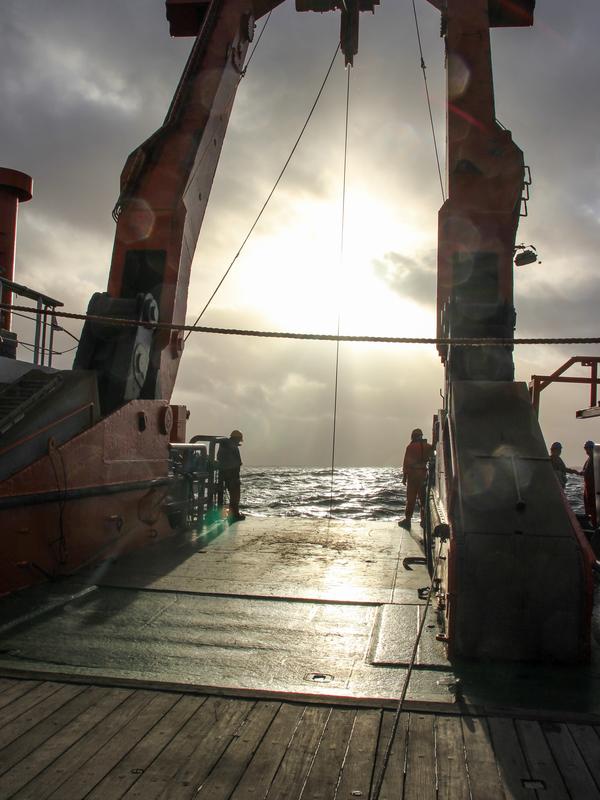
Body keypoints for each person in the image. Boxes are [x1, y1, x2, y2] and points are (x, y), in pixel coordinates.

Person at [398, 428, 434, 530]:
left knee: (411, 499)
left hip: (413, 475)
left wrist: (405, 477)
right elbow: (432, 455)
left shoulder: (410, 447)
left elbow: (406, 463)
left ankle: (408, 521)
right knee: (423, 500)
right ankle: (424, 521)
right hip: (423, 474)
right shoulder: (428, 446)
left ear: (413, 436)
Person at [217, 430, 245, 521]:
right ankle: (234, 515)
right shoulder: (233, 447)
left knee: (230, 495)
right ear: (237, 438)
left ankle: (230, 514)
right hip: (233, 474)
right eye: (239, 440)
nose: (239, 442)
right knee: (235, 496)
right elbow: (238, 462)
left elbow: (219, 458)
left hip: (224, 474)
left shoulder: (223, 445)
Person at [583, 440, 597, 528]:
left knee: (594, 509)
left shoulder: (596, 459)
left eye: (589, 448)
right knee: (588, 509)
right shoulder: (589, 459)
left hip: (593, 489)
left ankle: (595, 527)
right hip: (587, 488)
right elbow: (586, 472)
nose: (587, 450)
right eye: (586, 448)